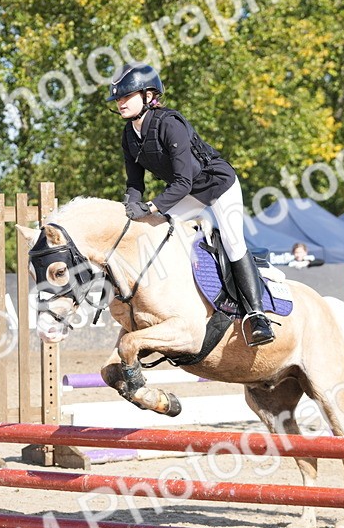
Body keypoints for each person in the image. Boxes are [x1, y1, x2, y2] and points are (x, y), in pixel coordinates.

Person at [106, 62, 274, 346]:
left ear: (148, 95)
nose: (120, 102)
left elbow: (182, 182)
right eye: (118, 98)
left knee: (233, 241)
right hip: (188, 192)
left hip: (218, 185)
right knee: (156, 234)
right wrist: (130, 210)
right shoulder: (129, 135)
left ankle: (258, 317)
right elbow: (135, 184)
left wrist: (151, 207)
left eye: (126, 96)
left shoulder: (169, 123)